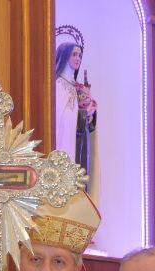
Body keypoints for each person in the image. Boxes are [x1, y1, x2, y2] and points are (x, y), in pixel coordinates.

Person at [54, 40, 97, 196]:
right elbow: (61, 117)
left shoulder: (76, 87)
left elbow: (83, 122)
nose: (78, 58)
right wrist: (83, 115)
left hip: (79, 142)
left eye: (79, 55)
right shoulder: (58, 85)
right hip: (64, 143)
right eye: (74, 54)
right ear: (64, 56)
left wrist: (90, 114)